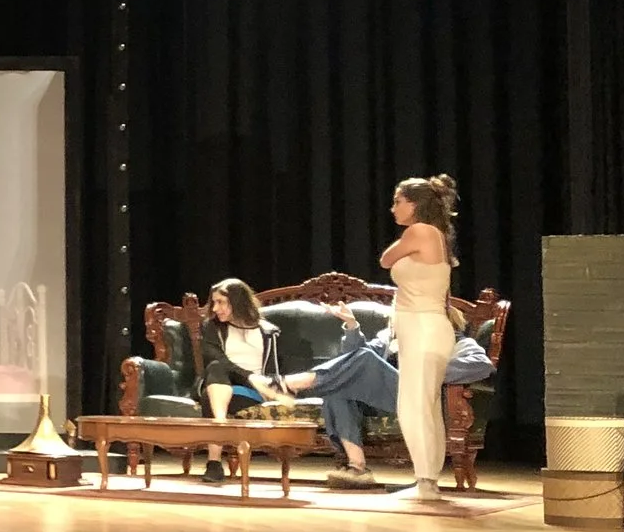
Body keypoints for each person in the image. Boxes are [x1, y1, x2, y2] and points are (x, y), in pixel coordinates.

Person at [283, 303, 494, 491]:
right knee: (338, 390)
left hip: (418, 398)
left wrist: (425, 368)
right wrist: (352, 326)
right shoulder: (389, 337)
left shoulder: (456, 341)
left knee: (365, 359)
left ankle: (292, 383)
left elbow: (482, 366)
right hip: (384, 399)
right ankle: (357, 468)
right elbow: (350, 361)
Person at [381, 173, 462, 501]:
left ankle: (426, 482)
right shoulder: (436, 234)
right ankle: (426, 480)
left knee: (415, 405)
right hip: (426, 329)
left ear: (414, 204)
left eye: (398, 201)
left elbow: (385, 259)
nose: (393, 208)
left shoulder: (420, 231)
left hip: (424, 329)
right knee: (424, 405)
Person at [196, 277, 289, 485]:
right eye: (214, 302)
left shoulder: (268, 331)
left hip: (250, 391)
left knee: (209, 397)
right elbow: (216, 358)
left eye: (221, 302)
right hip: (218, 382)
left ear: (237, 302)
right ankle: (219, 431)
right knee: (216, 369)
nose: (215, 308)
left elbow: (273, 370)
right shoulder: (212, 328)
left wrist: (261, 382)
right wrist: (249, 376)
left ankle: (214, 461)